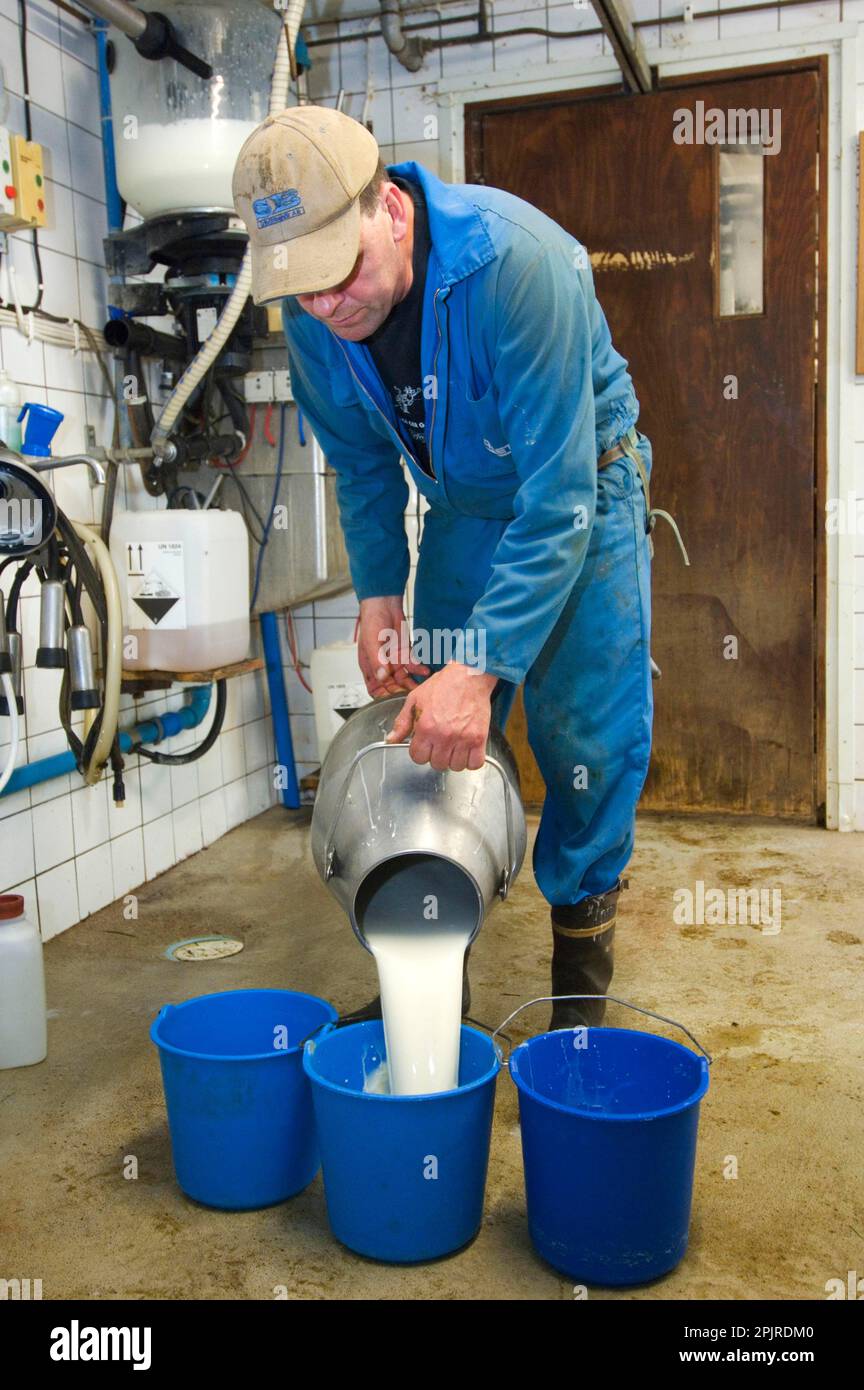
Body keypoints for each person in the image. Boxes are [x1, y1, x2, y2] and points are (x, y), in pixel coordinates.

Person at [233, 105, 656, 1029]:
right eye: (302, 292)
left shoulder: (518, 264)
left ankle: (579, 1016)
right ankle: (432, 991)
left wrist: (486, 662)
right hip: (465, 511)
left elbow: (559, 502)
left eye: (341, 274)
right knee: (431, 728)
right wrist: (381, 593)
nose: (328, 307)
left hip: (584, 490)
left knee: (586, 743)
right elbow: (360, 462)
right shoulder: (315, 314)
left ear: (388, 206)